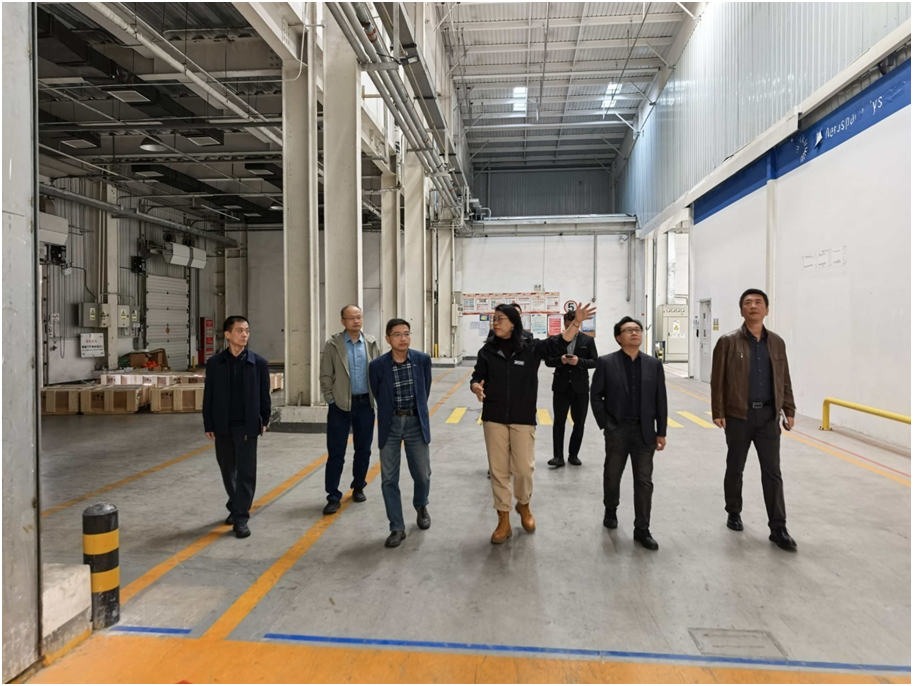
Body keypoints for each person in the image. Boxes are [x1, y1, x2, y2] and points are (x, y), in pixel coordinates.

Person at [471, 301, 597, 544]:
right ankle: (503, 518)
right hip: (493, 416)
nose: (495, 323)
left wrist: (576, 323)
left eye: (500, 319)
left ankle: (524, 505)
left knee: (523, 469)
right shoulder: (487, 351)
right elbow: (478, 375)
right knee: (498, 471)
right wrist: (475, 385)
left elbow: (558, 343)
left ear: (513, 323)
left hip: (523, 416)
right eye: (494, 319)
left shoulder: (530, 347)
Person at [711, 288, 797, 551]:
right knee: (735, 466)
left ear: (766, 310)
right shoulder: (728, 341)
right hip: (738, 415)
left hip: (768, 416)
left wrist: (789, 409)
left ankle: (778, 527)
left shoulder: (777, 342)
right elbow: (718, 379)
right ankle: (733, 511)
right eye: (747, 303)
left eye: (758, 302)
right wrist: (718, 411)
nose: (753, 306)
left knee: (773, 472)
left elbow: (784, 377)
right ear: (741, 310)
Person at [590, 316, 667, 550]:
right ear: (618, 337)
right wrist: (606, 423)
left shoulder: (653, 365)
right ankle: (610, 508)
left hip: (645, 431)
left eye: (638, 330)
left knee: (644, 480)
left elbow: (660, 400)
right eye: (629, 330)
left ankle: (642, 528)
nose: (635, 333)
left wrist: (661, 431)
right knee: (613, 473)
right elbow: (596, 395)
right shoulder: (606, 362)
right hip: (618, 429)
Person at [203, 316, 271, 539]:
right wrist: (208, 423)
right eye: (240, 330)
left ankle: (241, 517)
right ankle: (236, 503)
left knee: (246, 472)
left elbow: (264, 396)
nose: (244, 335)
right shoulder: (215, 363)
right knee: (227, 469)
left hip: (247, 425)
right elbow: (209, 396)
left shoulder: (258, 363)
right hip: (222, 424)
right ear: (227, 334)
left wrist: (264, 420)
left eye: (247, 331)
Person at [369, 319, 433, 548]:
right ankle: (396, 527)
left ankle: (421, 505)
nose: (403, 338)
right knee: (389, 478)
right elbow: (378, 394)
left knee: (423, 474)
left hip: (415, 422)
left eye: (406, 333)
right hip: (391, 424)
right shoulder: (377, 366)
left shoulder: (422, 360)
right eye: (397, 334)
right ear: (388, 339)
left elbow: (425, 389)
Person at [319, 304, 381, 515]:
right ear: (343, 321)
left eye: (359, 317)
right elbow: (325, 374)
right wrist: (331, 399)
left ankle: (358, 486)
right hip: (340, 406)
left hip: (364, 405)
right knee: (336, 452)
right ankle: (333, 496)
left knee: (363, 449)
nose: (356, 321)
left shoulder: (371, 343)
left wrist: (377, 400)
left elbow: (378, 373)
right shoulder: (333, 344)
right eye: (351, 318)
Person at [544, 310, 598, 468]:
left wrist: (579, 361)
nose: (570, 329)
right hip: (561, 387)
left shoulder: (588, 340)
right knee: (559, 422)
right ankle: (558, 456)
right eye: (567, 326)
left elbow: (595, 361)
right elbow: (548, 361)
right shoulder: (556, 341)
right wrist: (560, 360)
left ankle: (573, 454)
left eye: (572, 325)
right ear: (564, 324)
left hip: (580, 388)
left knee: (579, 422)